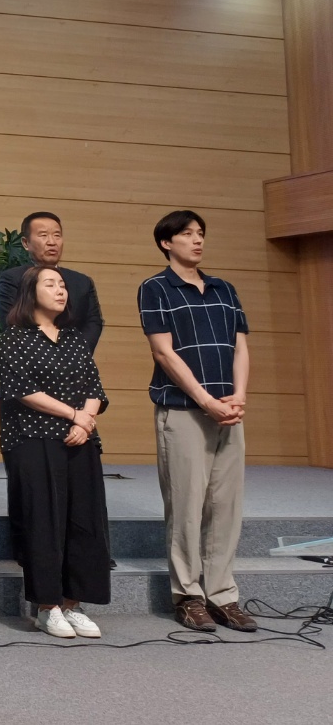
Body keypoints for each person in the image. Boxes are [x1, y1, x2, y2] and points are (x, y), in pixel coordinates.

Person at [140, 211, 256, 634]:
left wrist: (238, 396)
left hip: (228, 411)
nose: (197, 240)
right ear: (166, 243)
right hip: (185, 410)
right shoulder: (156, 288)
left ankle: (222, 594)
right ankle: (188, 596)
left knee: (226, 507)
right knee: (186, 506)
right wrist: (206, 400)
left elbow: (240, 347)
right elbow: (163, 353)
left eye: (201, 233)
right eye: (187, 234)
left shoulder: (225, 289)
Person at [0, 265, 111, 639]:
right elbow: (22, 390)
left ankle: (73, 604)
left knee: (83, 521)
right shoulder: (14, 338)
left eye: (62, 285)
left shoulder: (74, 337)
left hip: (80, 440)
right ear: (31, 293)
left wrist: (84, 422)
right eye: (51, 284)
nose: (61, 290)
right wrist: (74, 415)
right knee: (43, 523)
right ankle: (47, 608)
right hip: (34, 441)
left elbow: (94, 387)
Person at [0, 212, 104, 354]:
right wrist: (47, 357)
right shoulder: (13, 278)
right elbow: (11, 322)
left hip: (76, 359)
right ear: (26, 243)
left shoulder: (82, 281)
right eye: (43, 235)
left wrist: (74, 354)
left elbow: (93, 322)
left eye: (57, 235)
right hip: (31, 358)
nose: (52, 242)